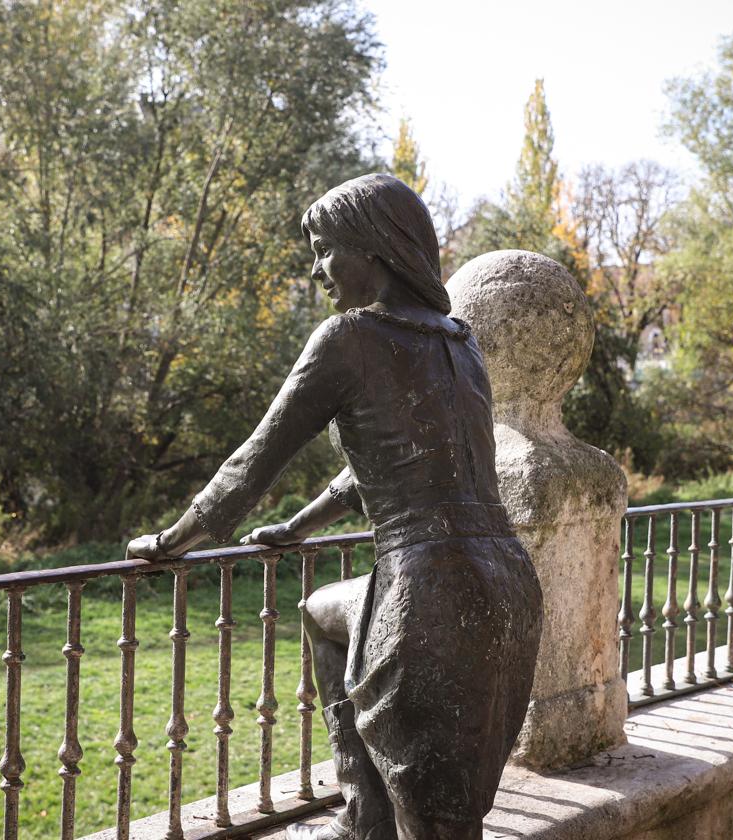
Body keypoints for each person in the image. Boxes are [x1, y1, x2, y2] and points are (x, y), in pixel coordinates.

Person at [127, 173, 543, 840]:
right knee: (325, 614)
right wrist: (297, 527)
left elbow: (254, 459)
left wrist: (173, 541)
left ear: (373, 251)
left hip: (427, 590)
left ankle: (372, 822)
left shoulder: (349, 338)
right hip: (509, 584)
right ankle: (362, 817)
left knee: (439, 826)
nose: (320, 270)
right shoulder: (460, 343)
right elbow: (384, 467)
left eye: (326, 250)